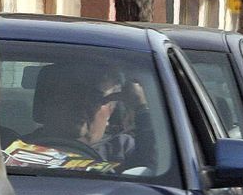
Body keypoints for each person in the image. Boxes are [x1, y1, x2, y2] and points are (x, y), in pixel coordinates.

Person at [18, 62, 151, 167]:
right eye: (70, 95)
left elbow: (155, 175)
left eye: (94, 97)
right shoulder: (14, 150)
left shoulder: (123, 149)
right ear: (48, 102)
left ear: (111, 110)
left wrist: (141, 108)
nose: (81, 104)